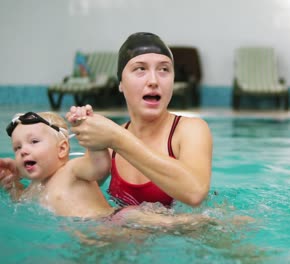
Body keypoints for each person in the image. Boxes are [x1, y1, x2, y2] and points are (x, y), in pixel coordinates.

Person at [66, 32, 213, 207]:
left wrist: (116, 138)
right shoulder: (109, 143)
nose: (153, 80)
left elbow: (195, 193)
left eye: (164, 69)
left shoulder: (190, 130)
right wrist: (92, 142)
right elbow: (73, 192)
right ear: (120, 82)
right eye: (140, 69)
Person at [0, 111, 210, 227]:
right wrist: (12, 184)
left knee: (178, 226)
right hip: (95, 233)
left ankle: (206, 223)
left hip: (118, 218)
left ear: (62, 148)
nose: (24, 151)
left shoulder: (72, 171)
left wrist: (92, 137)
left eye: (33, 142)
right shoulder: (34, 190)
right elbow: (20, 203)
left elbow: (100, 166)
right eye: (17, 148)